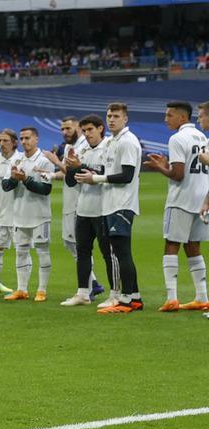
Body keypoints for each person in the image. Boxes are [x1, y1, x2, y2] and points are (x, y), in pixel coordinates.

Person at [77, 102, 143, 314]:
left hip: (121, 204)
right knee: (120, 252)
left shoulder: (127, 142)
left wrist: (95, 178)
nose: (111, 119)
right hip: (111, 204)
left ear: (125, 119)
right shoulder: (114, 141)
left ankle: (124, 301)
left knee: (121, 252)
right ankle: (134, 297)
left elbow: (127, 175)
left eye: (116, 116)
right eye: (109, 116)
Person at [144, 101, 208, 311]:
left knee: (171, 244)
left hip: (181, 198)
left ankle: (172, 297)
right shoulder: (203, 138)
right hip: (202, 199)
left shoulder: (177, 138)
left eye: (169, 115)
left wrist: (160, 167)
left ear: (182, 118)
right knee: (193, 246)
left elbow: (178, 175)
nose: (165, 119)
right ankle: (201, 296)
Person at [46, 116, 104, 298]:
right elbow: (69, 175)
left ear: (78, 128)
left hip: (80, 201)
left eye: (68, 128)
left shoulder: (83, 146)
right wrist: (52, 174)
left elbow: (78, 172)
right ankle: (92, 283)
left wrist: (56, 162)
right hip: (71, 199)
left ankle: (89, 286)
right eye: (62, 129)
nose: (65, 132)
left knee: (78, 245)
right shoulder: (72, 147)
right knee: (71, 243)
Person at [62, 115, 114, 306]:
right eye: (84, 131)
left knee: (107, 253)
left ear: (100, 129)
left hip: (103, 208)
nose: (87, 134)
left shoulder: (108, 148)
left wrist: (80, 166)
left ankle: (115, 293)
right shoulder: (81, 149)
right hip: (83, 208)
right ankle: (83, 293)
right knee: (82, 251)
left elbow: (108, 176)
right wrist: (70, 168)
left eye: (90, 129)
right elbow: (70, 182)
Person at [2, 127, 55, 301]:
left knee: (42, 251)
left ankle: (42, 290)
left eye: (28, 138)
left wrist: (25, 180)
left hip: (39, 215)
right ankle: (22, 289)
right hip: (19, 214)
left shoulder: (45, 161)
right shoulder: (16, 159)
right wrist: (13, 179)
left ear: (36, 139)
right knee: (21, 252)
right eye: (22, 138)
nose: (24, 142)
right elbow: (5, 187)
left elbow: (45, 189)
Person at [0, 129, 21, 295]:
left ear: (14, 142)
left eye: (5, 140)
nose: (1, 144)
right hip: (0, 213)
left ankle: (22, 288)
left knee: (22, 251)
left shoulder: (22, 160)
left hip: (19, 215)